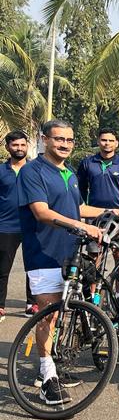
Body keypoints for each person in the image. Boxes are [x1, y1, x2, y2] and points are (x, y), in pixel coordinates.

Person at [18, 120, 111, 404]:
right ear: (44, 139)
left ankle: (55, 367)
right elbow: (42, 212)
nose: (65, 145)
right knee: (48, 313)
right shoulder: (32, 171)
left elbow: (77, 208)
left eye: (70, 140)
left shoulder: (68, 174)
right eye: (59, 139)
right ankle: (46, 377)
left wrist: (112, 210)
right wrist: (82, 227)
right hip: (43, 253)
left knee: (65, 313)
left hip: (70, 254)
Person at [0, 129, 33, 320]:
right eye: (15, 145)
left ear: (27, 146)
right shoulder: (1, 170)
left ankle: (32, 304)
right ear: (7, 147)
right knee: (2, 269)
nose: (19, 148)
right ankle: (0, 305)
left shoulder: (35, 169)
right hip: (6, 226)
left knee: (33, 268)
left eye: (22, 144)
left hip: (32, 225)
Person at [76, 127, 119, 211]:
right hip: (93, 213)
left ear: (116, 143)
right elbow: (81, 189)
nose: (107, 143)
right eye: (104, 140)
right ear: (98, 141)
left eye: (111, 141)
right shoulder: (87, 163)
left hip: (118, 214)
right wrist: (87, 207)